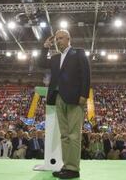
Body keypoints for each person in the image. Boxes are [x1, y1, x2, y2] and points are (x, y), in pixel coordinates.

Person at [39, 29, 91, 179]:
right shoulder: (55, 58)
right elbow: (41, 63)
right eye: (56, 39)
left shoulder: (79, 53)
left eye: (61, 38)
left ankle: (73, 169)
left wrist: (84, 95)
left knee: (74, 135)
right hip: (59, 98)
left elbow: (86, 74)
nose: (58, 41)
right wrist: (45, 47)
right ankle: (67, 165)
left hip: (75, 98)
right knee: (64, 135)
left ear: (69, 39)